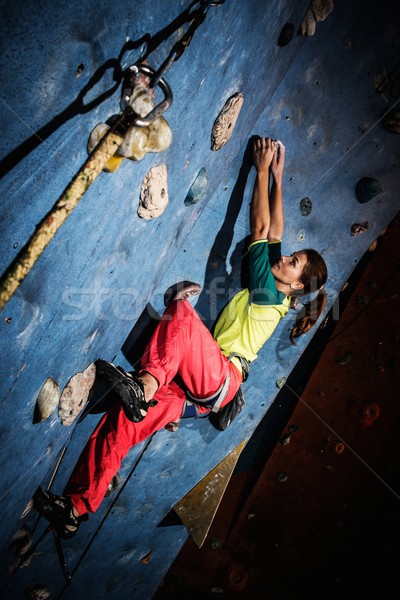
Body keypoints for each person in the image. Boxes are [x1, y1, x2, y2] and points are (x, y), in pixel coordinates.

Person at [33, 137, 327, 538]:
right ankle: (76, 507)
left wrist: (259, 170)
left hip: (220, 378)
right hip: (196, 393)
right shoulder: (275, 288)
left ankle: (146, 384)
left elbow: (260, 228)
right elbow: (274, 228)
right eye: (292, 255)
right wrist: (277, 177)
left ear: (294, 287)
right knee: (123, 423)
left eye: (293, 263)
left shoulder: (268, 292)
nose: (285, 257)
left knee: (184, 316)